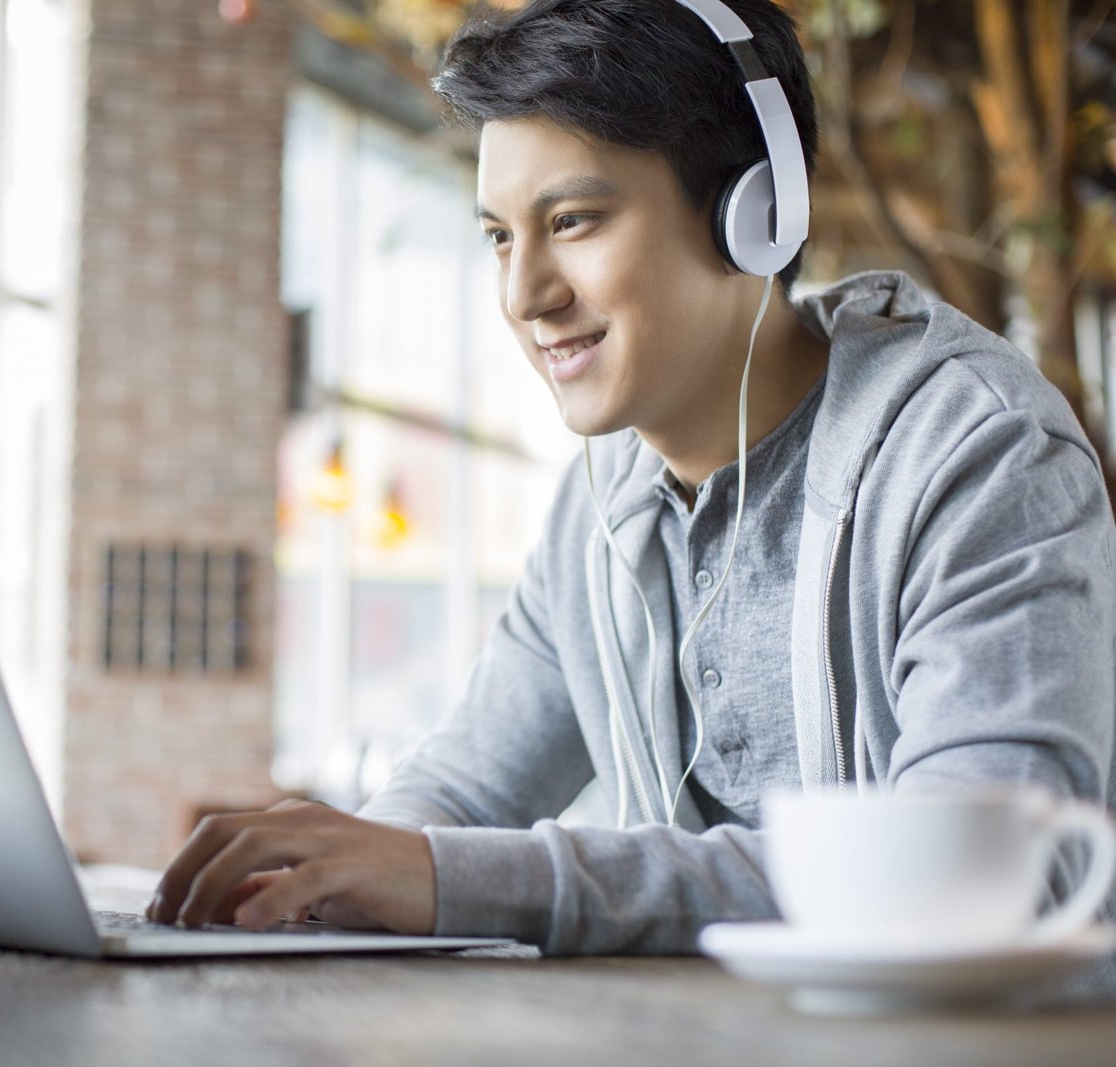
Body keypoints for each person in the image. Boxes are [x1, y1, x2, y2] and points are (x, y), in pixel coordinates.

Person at [146, 0, 1116, 953]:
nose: (524, 293)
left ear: (753, 216)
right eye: (496, 236)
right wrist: (317, 883)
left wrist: (458, 878)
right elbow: (462, 789)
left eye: (570, 220)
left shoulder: (977, 454)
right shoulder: (604, 495)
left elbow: (971, 876)